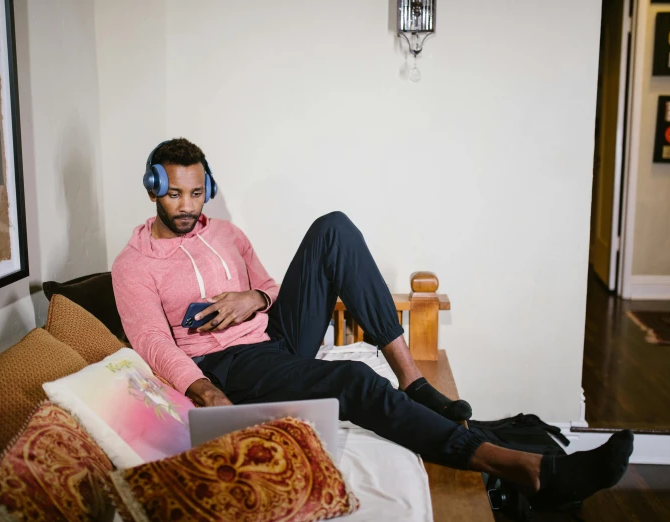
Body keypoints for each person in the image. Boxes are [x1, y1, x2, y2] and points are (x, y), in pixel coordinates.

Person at [112, 138, 633, 506]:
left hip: (272, 336)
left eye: (196, 193)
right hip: (227, 363)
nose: (186, 206)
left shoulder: (227, 234)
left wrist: (254, 298)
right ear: (153, 187)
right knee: (354, 380)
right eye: (174, 193)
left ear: (208, 188)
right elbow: (152, 342)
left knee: (333, 228)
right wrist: (204, 391)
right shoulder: (134, 264)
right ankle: (524, 468)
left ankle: (413, 380)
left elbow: (272, 289)